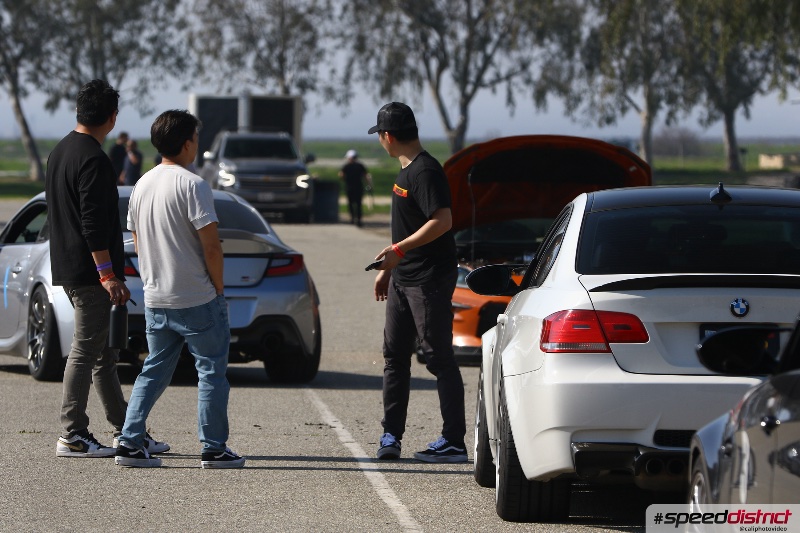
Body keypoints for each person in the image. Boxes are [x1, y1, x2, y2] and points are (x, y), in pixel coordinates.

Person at [116, 109, 245, 469]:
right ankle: (214, 447)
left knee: (153, 370)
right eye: (196, 140)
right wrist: (218, 290)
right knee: (211, 371)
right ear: (188, 143)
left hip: (156, 297)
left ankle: (129, 441)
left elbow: (138, 243)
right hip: (197, 297)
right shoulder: (194, 185)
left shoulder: (142, 184)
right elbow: (212, 247)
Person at [47, 79, 169, 458]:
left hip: (69, 267)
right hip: (90, 273)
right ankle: (73, 433)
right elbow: (93, 222)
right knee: (86, 352)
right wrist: (108, 274)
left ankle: (126, 431)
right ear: (112, 118)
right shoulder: (95, 159)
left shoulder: (60, 151)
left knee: (103, 357)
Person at [367, 102, 467, 463]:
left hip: (429, 280)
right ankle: (391, 434)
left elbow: (443, 220)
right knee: (395, 356)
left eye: (379, 135)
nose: (381, 141)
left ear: (387, 136)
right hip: (403, 279)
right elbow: (408, 229)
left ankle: (454, 440)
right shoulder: (405, 170)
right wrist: (389, 269)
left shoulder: (425, 172)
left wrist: (398, 250)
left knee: (438, 357)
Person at [339, 149, 371, 226]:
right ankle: (359, 220)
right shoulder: (360, 166)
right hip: (359, 187)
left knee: (351, 204)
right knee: (358, 204)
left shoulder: (346, 166)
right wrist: (368, 184)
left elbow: (341, 175)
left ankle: (352, 219)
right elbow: (366, 176)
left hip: (349, 188)